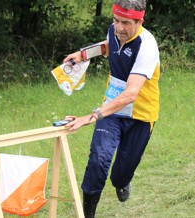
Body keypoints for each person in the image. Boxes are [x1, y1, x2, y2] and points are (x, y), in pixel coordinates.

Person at [63, 0, 160, 217]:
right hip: (112, 111)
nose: (119, 28)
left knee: (120, 175)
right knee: (98, 159)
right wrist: (83, 54)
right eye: (116, 20)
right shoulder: (114, 31)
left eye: (125, 22)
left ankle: (123, 182)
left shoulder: (147, 45)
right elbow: (108, 45)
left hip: (141, 117)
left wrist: (92, 115)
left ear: (139, 21)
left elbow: (131, 93)